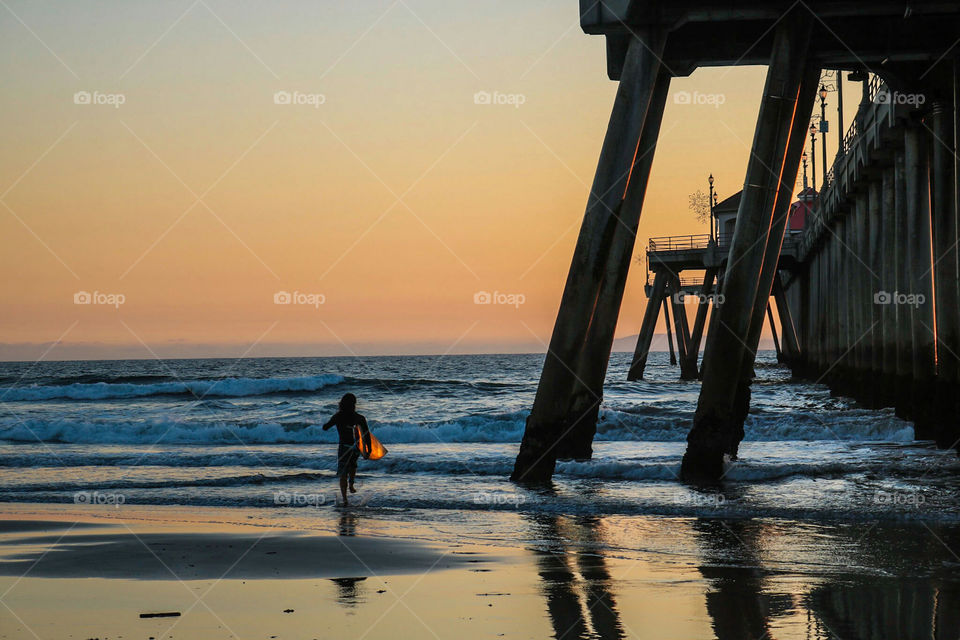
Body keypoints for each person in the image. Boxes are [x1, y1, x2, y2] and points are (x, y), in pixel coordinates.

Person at [322, 393, 370, 506]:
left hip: (344, 447)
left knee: (343, 472)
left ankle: (345, 499)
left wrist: (326, 423)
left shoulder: (338, 416)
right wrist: (368, 450)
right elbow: (367, 436)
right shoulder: (359, 418)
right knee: (353, 465)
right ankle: (351, 484)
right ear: (354, 404)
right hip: (356, 447)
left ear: (341, 403)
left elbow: (326, 427)